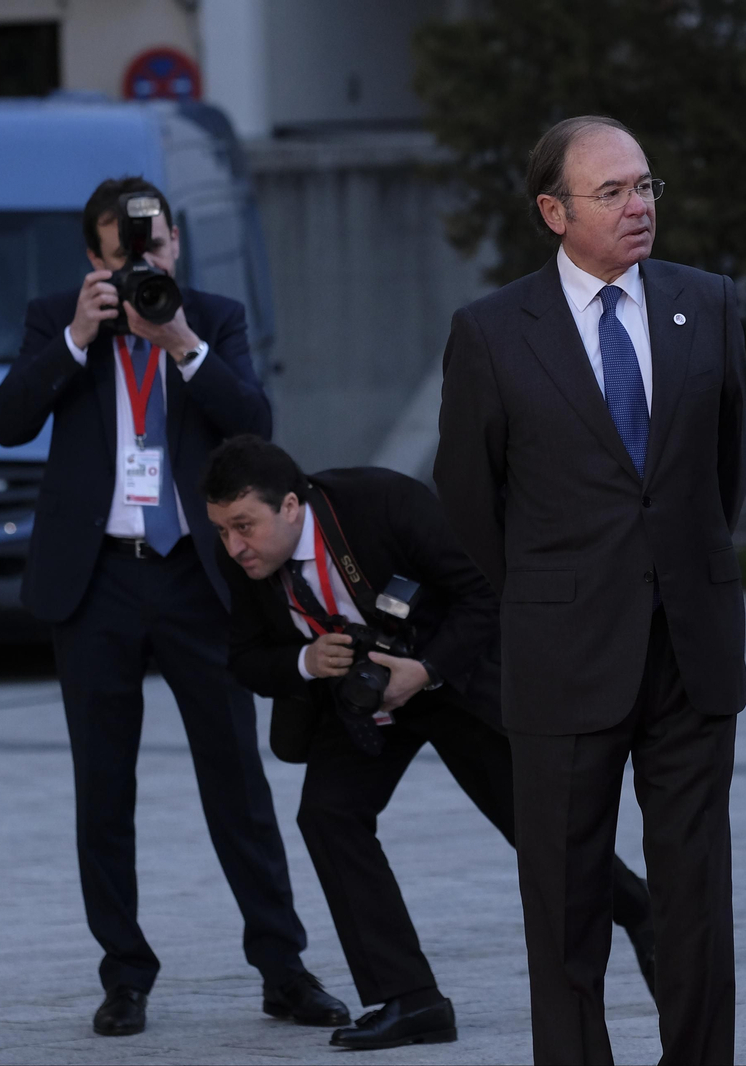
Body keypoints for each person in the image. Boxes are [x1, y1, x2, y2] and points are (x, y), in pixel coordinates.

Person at [0, 176, 346, 1037]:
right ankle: (125, 975)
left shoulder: (211, 319)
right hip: (97, 581)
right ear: (94, 259)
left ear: (175, 244)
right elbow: (6, 421)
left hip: (195, 579)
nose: (142, 265)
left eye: (154, 248)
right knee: (103, 790)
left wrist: (179, 338)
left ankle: (283, 968)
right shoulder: (57, 318)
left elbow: (256, 421)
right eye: (123, 254)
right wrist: (78, 336)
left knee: (237, 782)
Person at [435, 115, 746, 1065]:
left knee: (697, 905)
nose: (639, 206)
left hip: (689, 656)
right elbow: (468, 501)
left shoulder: (711, 304)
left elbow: (719, 475)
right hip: (562, 658)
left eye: (646, 186)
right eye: (612, 192)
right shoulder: (491, 334)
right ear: (553, 211)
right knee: (567, 912)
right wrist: (550, 591)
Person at [201, 436, 658, 1052]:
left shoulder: (380, 501)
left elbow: (484, 590)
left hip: (452, 678)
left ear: (288, 505)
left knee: (535, 830)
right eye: (223, 531)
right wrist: (306, 661)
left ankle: (641, 912)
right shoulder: (250, 560)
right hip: (358, 698)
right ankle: (412, 1000)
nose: (233, 547)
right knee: (328, 815)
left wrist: (428, 668)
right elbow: (246, 659)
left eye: (243, 527)